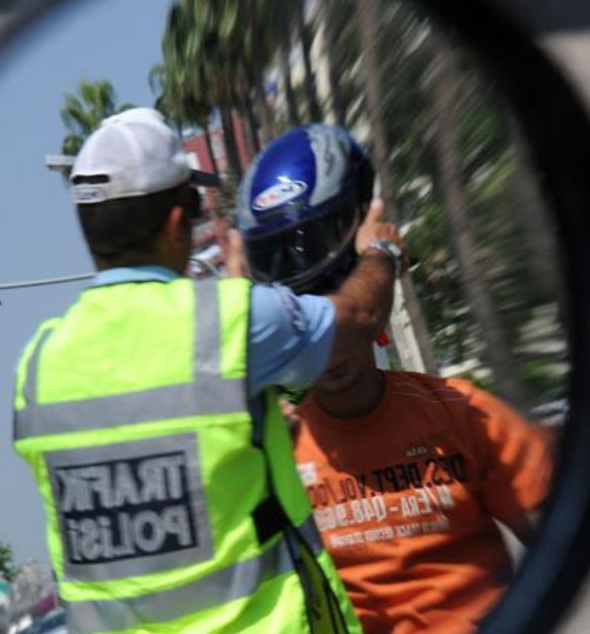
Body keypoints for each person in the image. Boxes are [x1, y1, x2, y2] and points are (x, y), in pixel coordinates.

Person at [11, 108, 411, 634]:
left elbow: (142, 466)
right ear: (179, 222)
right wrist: (380, 250)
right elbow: (358, 318)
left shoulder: (37, 367)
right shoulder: (228, 322)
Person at [234, 124, 556, 634]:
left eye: (337, 309)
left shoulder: (460, 413)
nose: (331, 352)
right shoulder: (280, 456)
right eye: (317, 326)